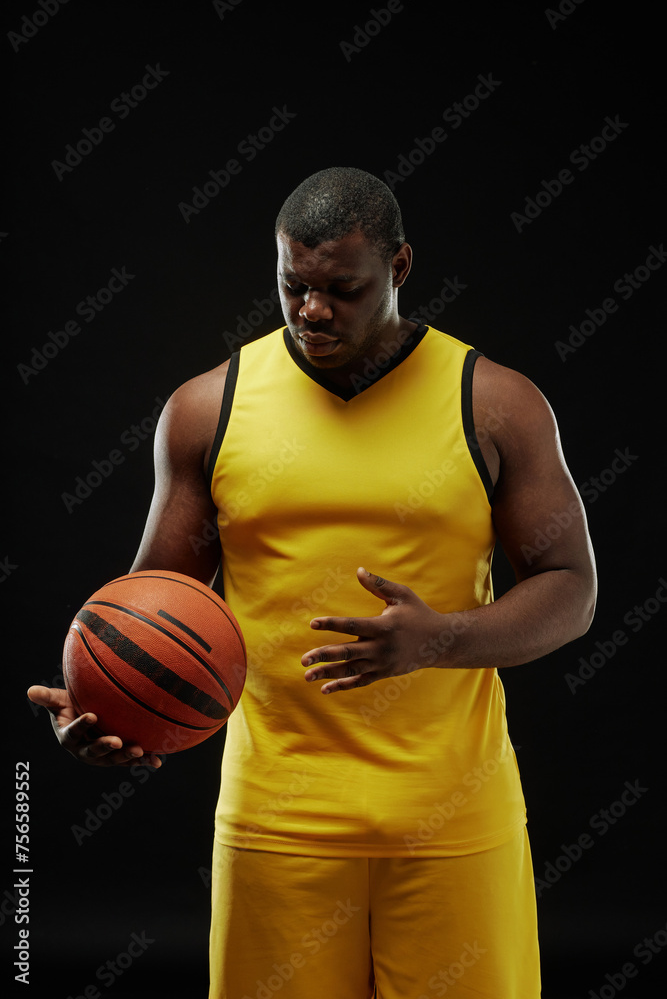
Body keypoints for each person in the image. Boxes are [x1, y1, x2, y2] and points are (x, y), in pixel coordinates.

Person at [29, 166, 596, 998]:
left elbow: (571, 587)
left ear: (399, 267)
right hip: (275, 821)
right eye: (293, 285)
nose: (312, 310)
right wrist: (102, 708)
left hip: (450, 818)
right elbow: (149, 611)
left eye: (342, 289)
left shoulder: (496, 405)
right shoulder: (207, 409)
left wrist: (440, 638)